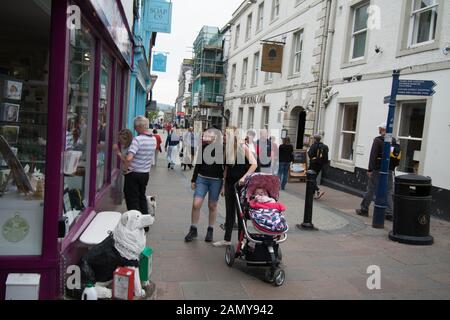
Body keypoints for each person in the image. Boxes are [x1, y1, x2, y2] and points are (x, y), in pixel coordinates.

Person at [213, 127, 258, 247]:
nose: (223, 137)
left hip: (241, 186)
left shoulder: (243, 147)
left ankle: (241, 241)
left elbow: (254, 163)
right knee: (229, 212)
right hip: (229, 184)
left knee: (240, 213)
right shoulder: (228, 150)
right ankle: (227, 239)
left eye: (226, 135)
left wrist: (244, 178)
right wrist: (223, 186)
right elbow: (226, 169)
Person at [184, 128, 224, 243]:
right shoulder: (203, 147)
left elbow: (226, 169)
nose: (206, 136)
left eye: (209, 134)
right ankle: (193, 229)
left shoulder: (223, 149)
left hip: (216, 181)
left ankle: (210, 230)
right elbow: (198, 164)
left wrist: (224, 186)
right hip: (202, 178)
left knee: (212, 206)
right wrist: (193, 179)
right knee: (196, 204)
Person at [121, 116, 156, 232]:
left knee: (132, 200)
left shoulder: (137, 140)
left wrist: (125, 170)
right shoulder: (153, 139)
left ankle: (135, 226)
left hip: (133, 174)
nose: (135, 129)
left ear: (140, 127)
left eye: (136, 127)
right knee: (141, 197)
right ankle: (145, 225)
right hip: (145, 174)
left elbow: (129, 158)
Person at [356, 123, 396, 221]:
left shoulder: (378, 140)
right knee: (389, 190)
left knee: (371, 188)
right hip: (389, 169)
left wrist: (370, 169)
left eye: (380, 128)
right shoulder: (393, 140)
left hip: (378, 169)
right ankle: (390, 213)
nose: (379, 130)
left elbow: (373, 155)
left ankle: (364, 209)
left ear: (383, 129)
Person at [307, 134, 329, 200]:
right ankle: (313, 193)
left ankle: (318, 190)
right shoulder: (324, 146)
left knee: (310, 177)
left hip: (313, 164)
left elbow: (310, 154)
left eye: (312, 138)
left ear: (315, 139)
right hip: (320, 164)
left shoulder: (314, 146)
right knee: (314, 177)